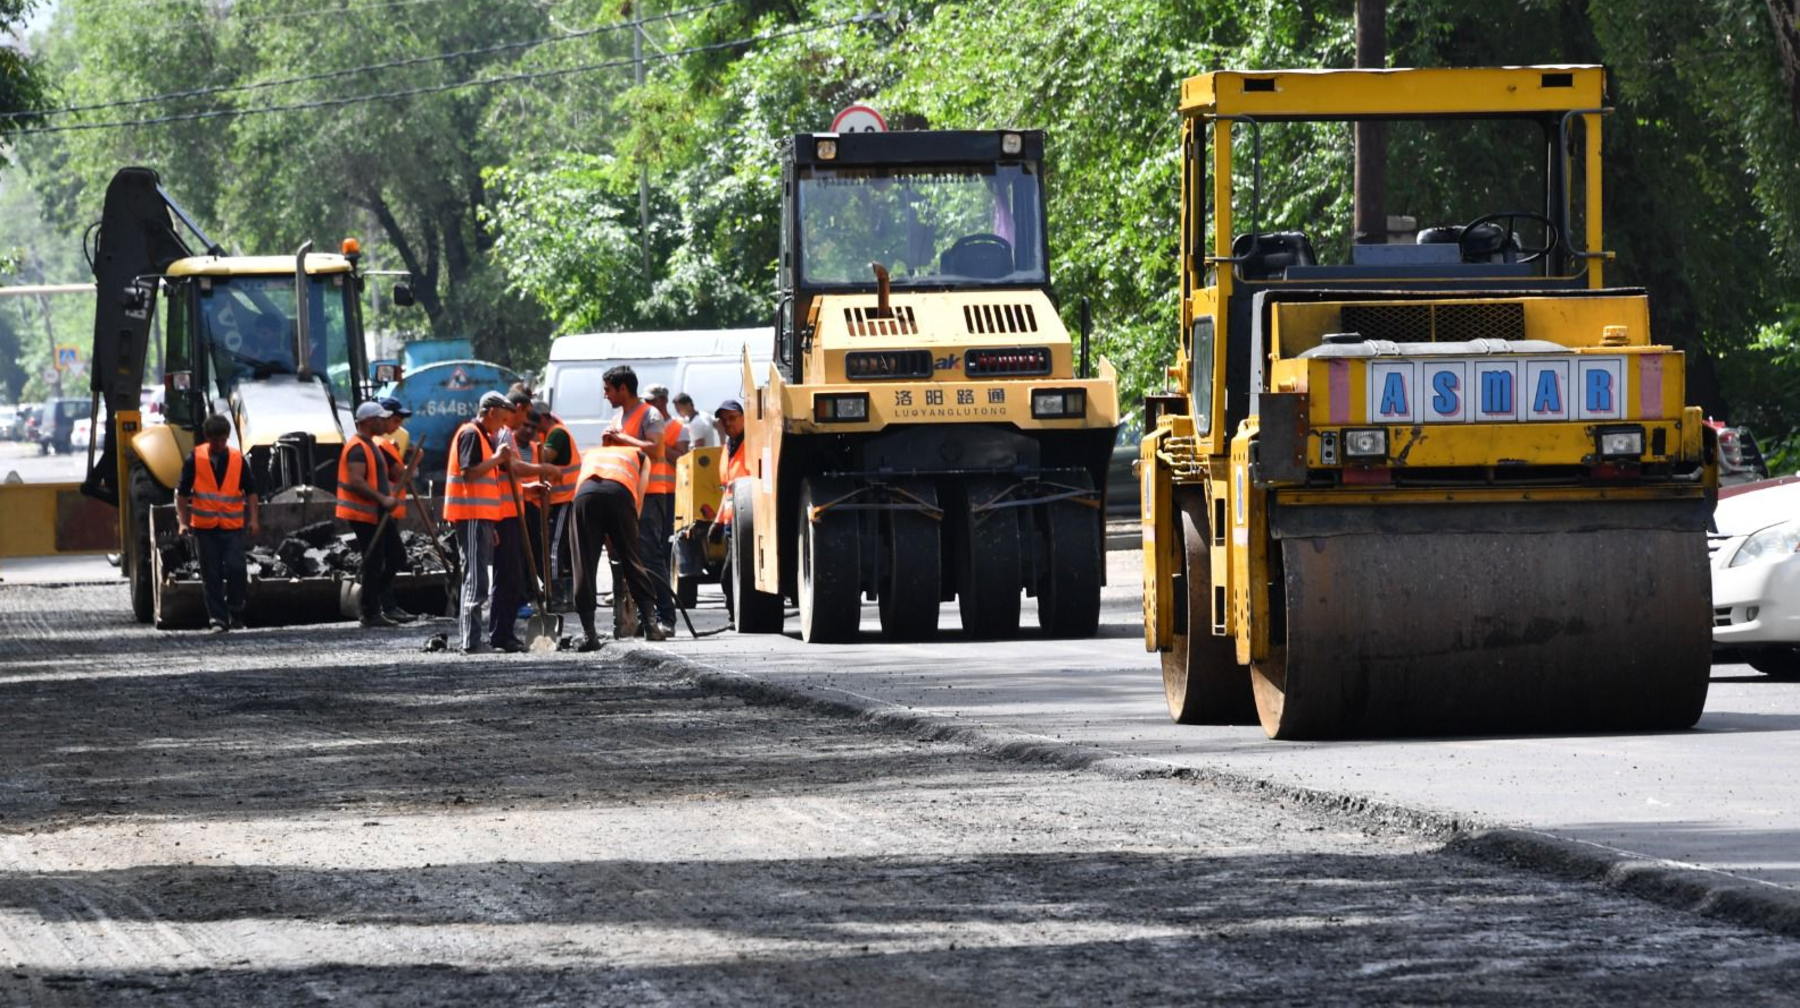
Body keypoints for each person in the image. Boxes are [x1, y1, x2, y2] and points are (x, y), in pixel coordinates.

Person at [569, 443, 665, 650]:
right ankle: (651, 626)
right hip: (620, 495)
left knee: (583, 564)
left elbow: (585, 484)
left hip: (585, 498)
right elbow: (637, 499)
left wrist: (607, 534)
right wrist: (627, 537)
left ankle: (589, 635)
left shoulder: (590, 453)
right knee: (632, 560)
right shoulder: (641, 456)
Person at [175, 414, 260, 633]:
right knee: (210, 573)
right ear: (208, 438)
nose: (220, 445)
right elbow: (182, 494)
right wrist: (183, 523)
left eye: (223, 440)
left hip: (231, 528)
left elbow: (251, 492)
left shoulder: (237, 459)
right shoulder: (194, 459)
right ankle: (218, 619)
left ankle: (236, 612)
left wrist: (253, 519)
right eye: (216, 441)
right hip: (205, 528)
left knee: (237, 568)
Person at [445, 391, 515, 654]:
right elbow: (469, 474)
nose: (503, 425)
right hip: (471, 515)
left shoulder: (482, 437)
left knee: (474, 578)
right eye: (502, 418)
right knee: (475, 579)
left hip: (480, 517)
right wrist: (497, 458)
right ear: (491, 411)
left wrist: (491, 523)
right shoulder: (472, 434)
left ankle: (471, 640)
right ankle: (471, 642)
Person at [600, 366, 668, 637]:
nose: (605, 395)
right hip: (627, 496)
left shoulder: (650, 414)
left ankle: (665, 617)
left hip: (649, 494)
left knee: (650, 556)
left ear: (623, 388)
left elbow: (658, 450)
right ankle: (645, 617)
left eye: (608, 389)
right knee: (632, 559)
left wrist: (621, 439)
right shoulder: (618, 419)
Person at [337, 401, 406, 629]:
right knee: (374, 562)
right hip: (364, 514)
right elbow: (356, 481)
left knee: (396, 557)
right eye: (380, 418)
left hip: (376, 514)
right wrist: (382, 498)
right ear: (368, 421)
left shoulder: (371, 445)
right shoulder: (357, 447)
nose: (383, 421)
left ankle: (371, 600)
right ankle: (370, 610)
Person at [641, 382, 685, 633]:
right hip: (650, 493)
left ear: (662, 401)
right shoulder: (646, 424)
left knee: (661, 550)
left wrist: (658, 446)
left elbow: (681, 457)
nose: (648, 406)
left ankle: (664, 613)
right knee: (650, 551)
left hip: (669, 494)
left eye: (651, 401)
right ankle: (647, 613)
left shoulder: (677, 428)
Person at [374, 396, 421, 624]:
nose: (399, 425)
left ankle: (382, 603)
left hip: (387, 509)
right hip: (380, 509)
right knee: (393, 557)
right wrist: (413, 464)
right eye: (396, 419)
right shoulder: (379, 444)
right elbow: (400, 475)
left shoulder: (389, 441)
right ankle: (381, 604)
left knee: (387, 558)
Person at [534, 401, 580, 607]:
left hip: (565, 499)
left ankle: (555, 594)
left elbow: (544, 458)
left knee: (554, 546)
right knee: (567, 549)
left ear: (542, 418)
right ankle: (567, 594)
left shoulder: (557, 434)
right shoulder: (554, 432)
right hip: (565, 498)